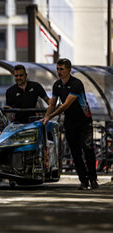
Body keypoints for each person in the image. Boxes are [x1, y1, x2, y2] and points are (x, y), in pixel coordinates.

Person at [42, 58, 98, 190]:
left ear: (69, 70)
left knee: (88, 148)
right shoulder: (57, 85)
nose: (59, 72)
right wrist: (46, 117)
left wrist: (50, 116)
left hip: (84, 121)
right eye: (57, 69)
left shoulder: (76, 84)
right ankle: (83, 180)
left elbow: (65, 105)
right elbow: (53, 103)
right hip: (70, 122)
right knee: (75, 152)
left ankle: (93, 179)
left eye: (62, 69)